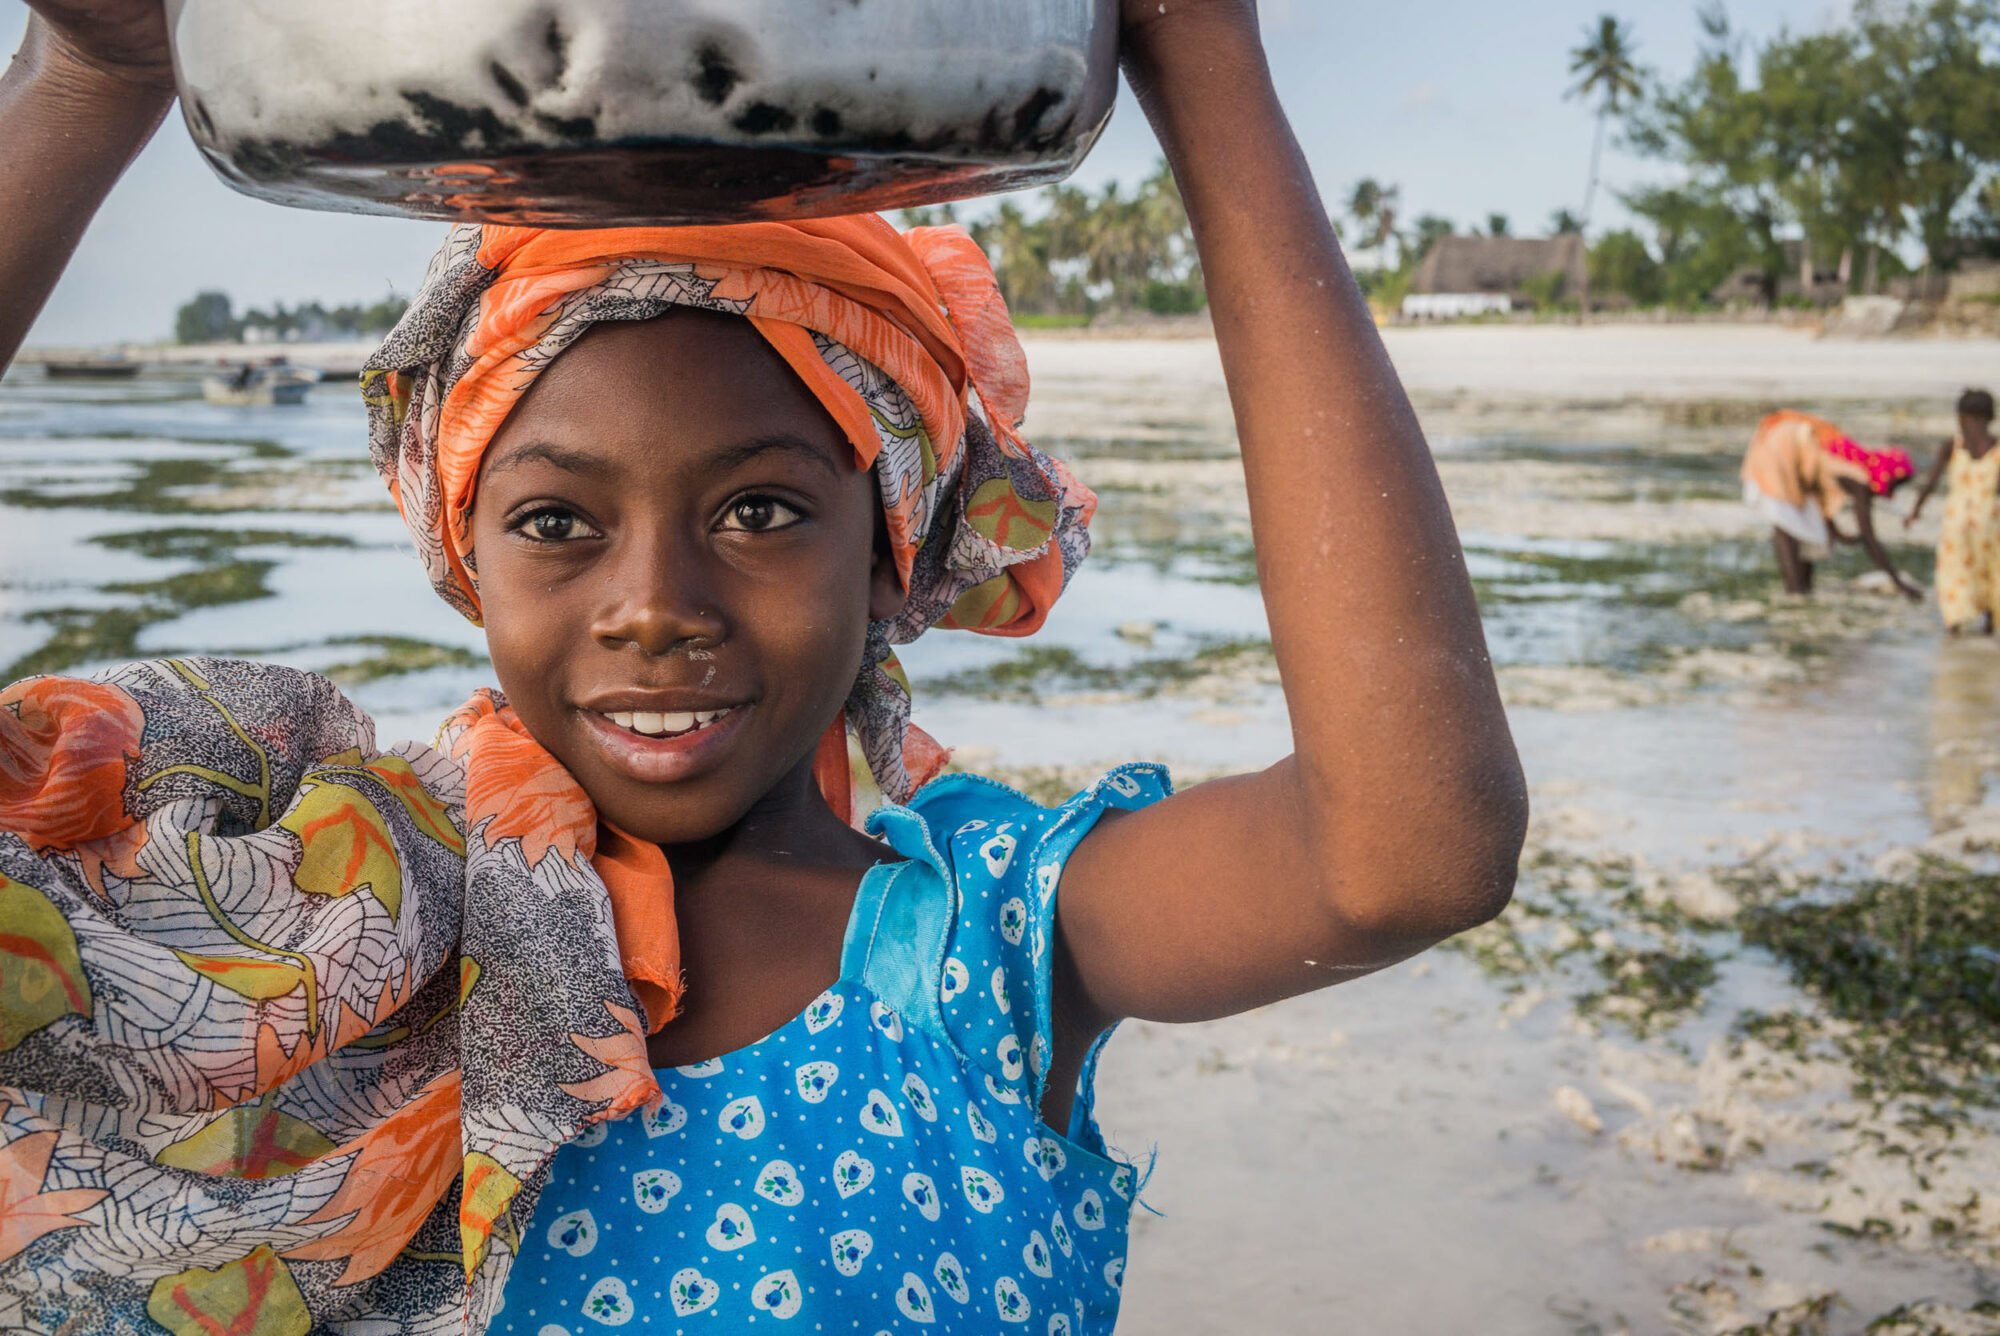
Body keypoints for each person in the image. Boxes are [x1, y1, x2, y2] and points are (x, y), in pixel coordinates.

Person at [0, 3, 1527, 1333]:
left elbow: (1406, 856)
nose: (654, 604)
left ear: (892, 546)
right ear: (467, 556)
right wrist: (85, 80)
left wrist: (1207, 57)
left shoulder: (983, 944)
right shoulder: (335, 924)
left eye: (760, 509)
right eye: (556, 522)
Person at [1740, 410, 1922, 600]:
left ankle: (1801, 591)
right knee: (1787, 520)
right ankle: (1795, 592)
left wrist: (1841, 534)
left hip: (1790, 442)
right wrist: (1900, 584)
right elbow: (1870, 538)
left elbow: (1820, 499)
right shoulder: (1860, 482)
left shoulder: (1857, 463)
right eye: (1894, 485)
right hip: (1784, 446)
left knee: (1806, 526)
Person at [1904, 389, 2000, 633]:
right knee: (1989, 569)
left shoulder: (1953, 446)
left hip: (1956, 519)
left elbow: (1931, 483)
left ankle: (1955, 623)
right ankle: (1989, 620)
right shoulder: (1996, 449)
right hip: (1988, 519)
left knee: (1954, 569)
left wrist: (1915, 510)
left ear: (1964, 417)